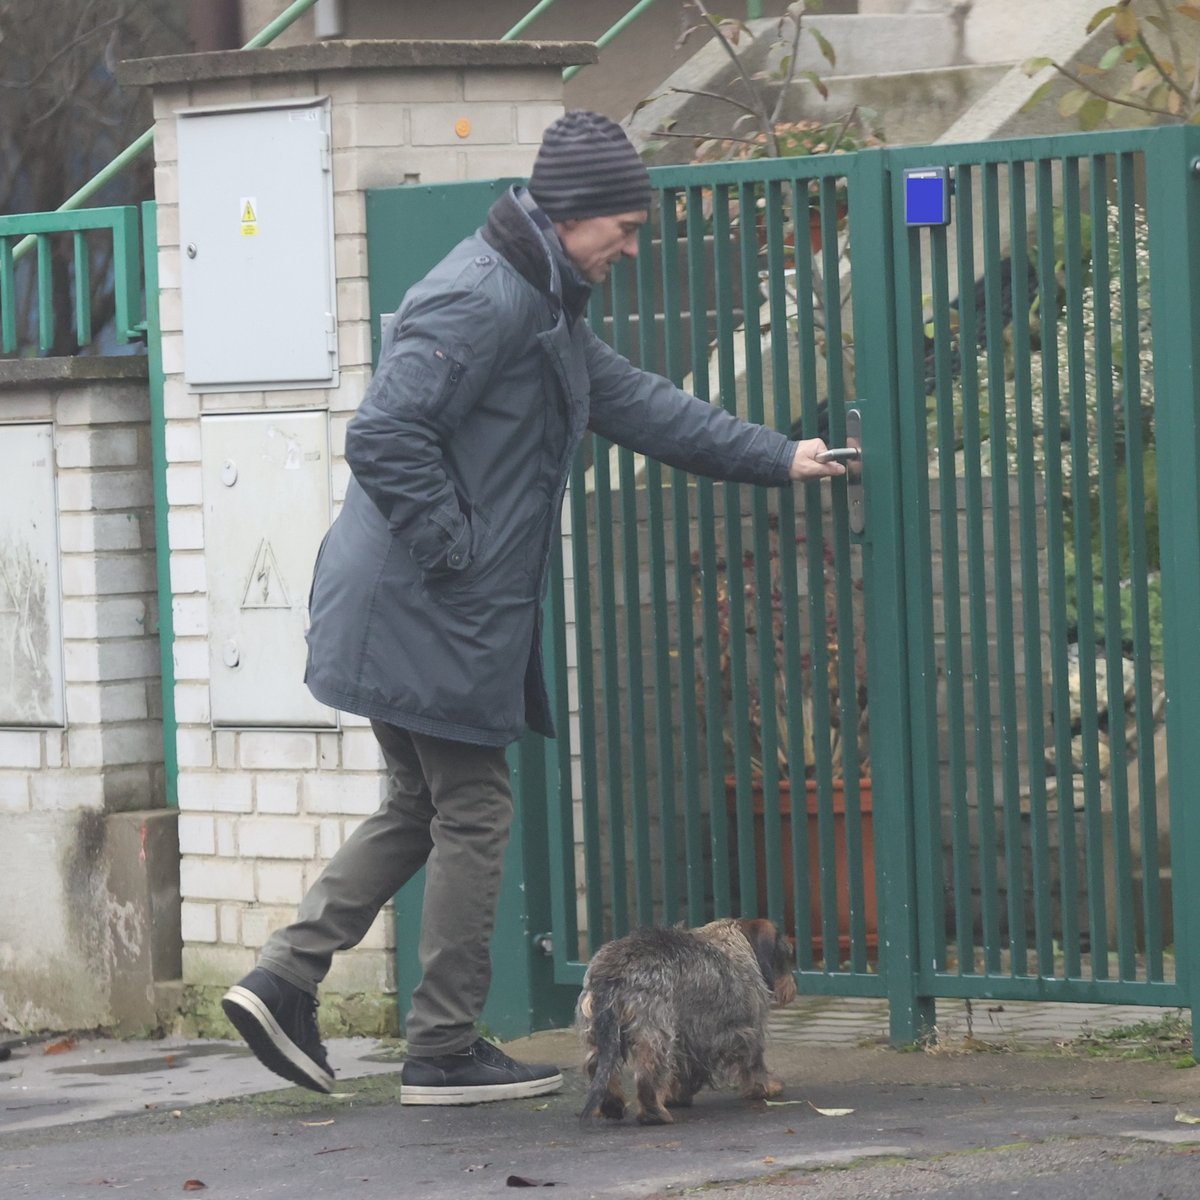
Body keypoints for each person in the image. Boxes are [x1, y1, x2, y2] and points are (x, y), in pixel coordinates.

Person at [221, 110, 845, 1107]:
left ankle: (283, 978)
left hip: (416, 607)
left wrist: (780, 455)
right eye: (624, 228)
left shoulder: (542, 304)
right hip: (425, 604)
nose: (633, 248)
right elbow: (385, 433)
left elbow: (639, 403)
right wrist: (459, 548)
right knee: (476, 808)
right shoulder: (483, 299)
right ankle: (441, 1045)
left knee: (420, 806)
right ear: (570, 216)